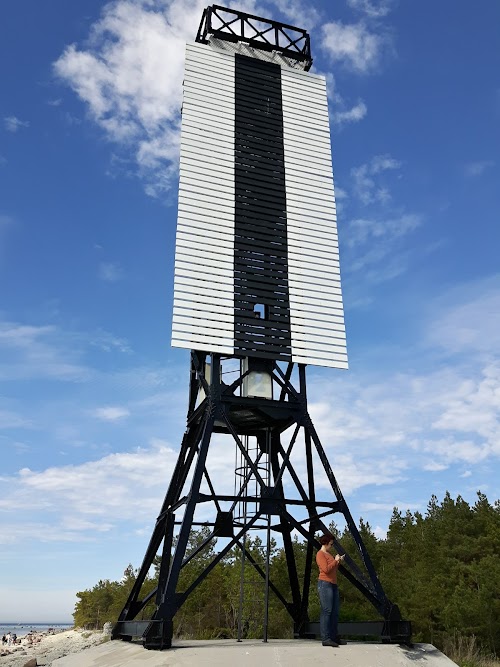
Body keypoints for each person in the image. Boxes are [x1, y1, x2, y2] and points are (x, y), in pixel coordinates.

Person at [316, 533, 346, 647]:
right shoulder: (320, 554)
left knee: (334, 612)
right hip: (325, 584)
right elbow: (326, 569)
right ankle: (326, 638)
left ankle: (334, 637)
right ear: (326, 542)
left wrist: (338, 561)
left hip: (333, 584)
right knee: (327, 611)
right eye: (331, 544)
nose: (332, 546)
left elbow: (332, 569)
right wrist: (335, 560)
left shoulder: (328, 554)